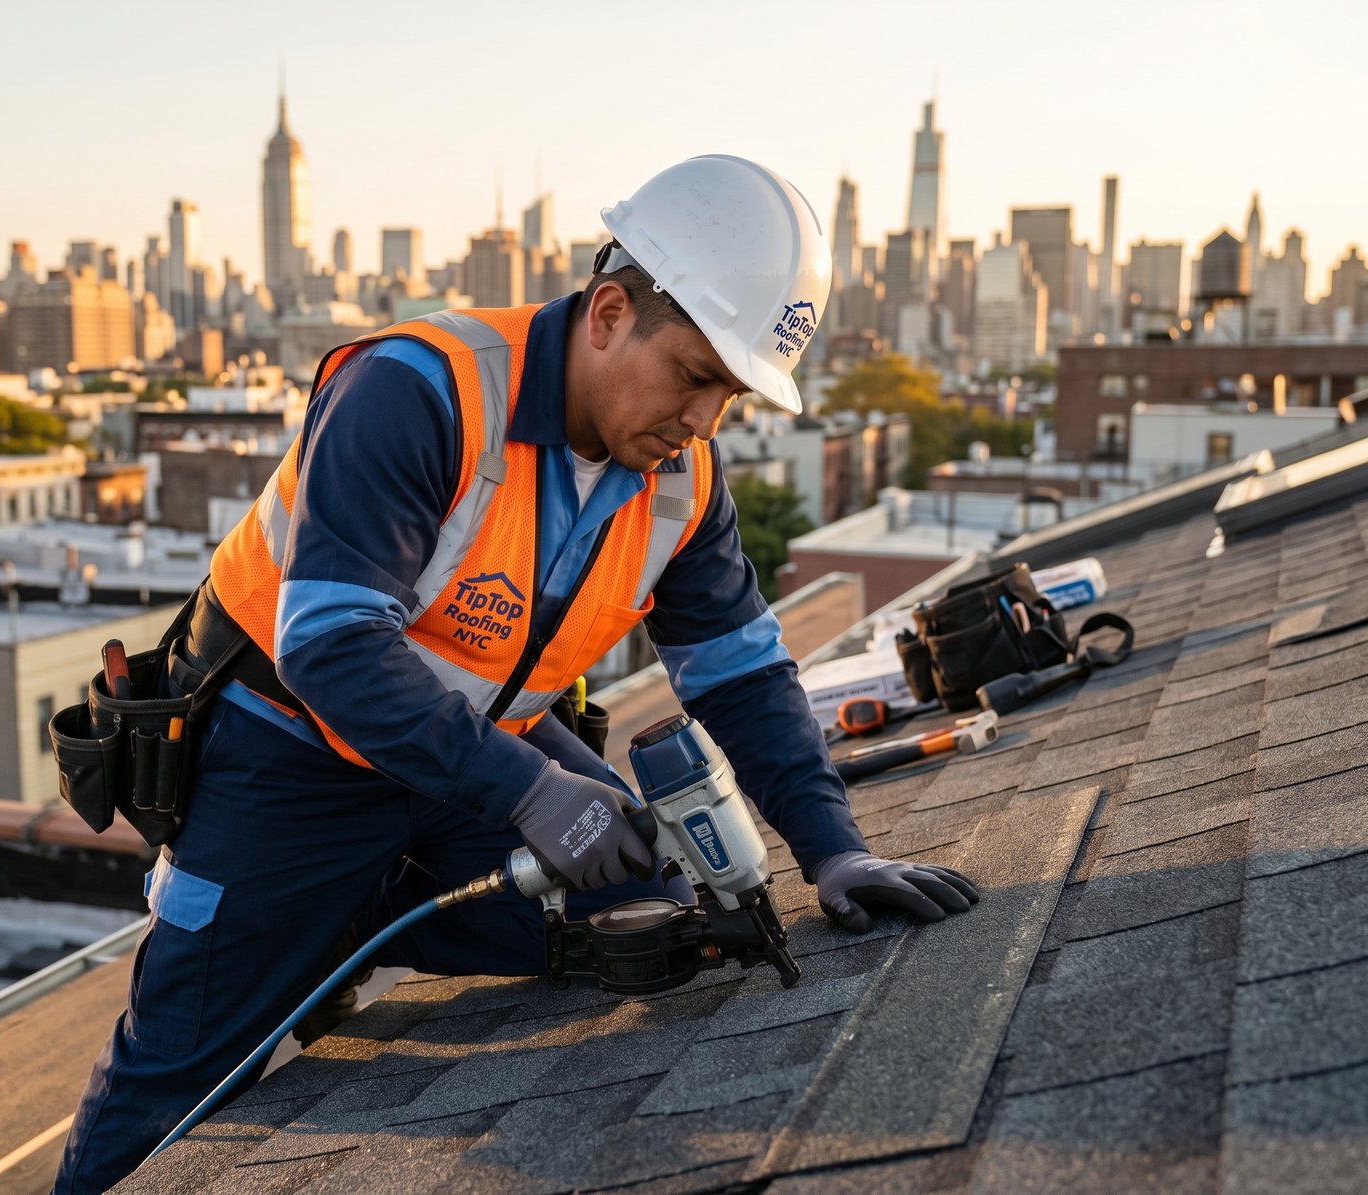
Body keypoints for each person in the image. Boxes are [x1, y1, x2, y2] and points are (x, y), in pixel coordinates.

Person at [54, 155, 979, 1193]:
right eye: (693, 373)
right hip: (287, 753)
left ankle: (351, 917)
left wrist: (831, 849)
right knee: (175, 1073)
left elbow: (739, 669)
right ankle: (314, 923)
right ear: (609, 312)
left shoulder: (681, 479)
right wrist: (533, 791)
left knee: (651, 912)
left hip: (467, 749)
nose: (702, 419)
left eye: (729, 393)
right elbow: (330, 647)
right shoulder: (417, 391)